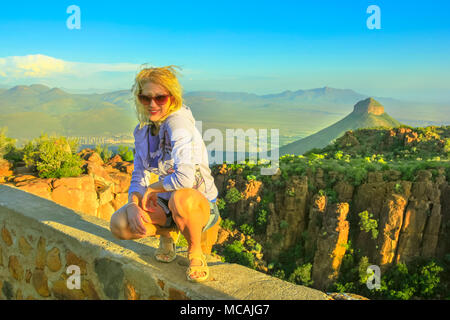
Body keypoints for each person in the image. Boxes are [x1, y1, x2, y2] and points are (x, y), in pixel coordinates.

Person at [109, 65, 220, 282]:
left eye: (160, 98)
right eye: (145, 98)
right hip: (166, 204)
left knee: (181, 197)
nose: (152, 104)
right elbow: (139, 174)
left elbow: (186, 178)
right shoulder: (142, 130)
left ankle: (194, 251)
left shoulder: (178, 123)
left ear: (172, 97)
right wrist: (133, 204)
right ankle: (167, 233)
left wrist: (152, 188)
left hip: (196, 205)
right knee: (119, 224)